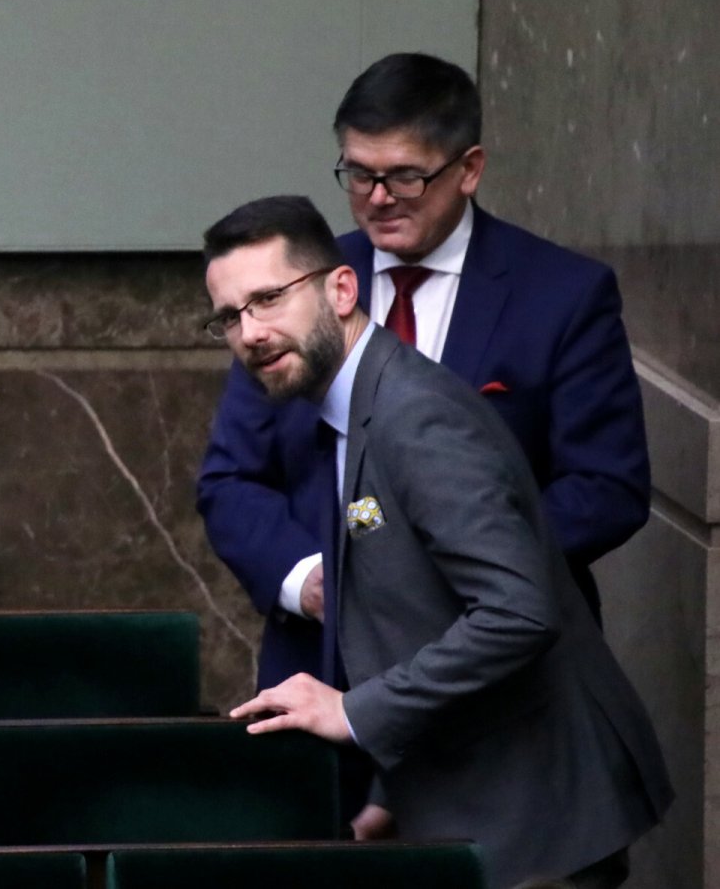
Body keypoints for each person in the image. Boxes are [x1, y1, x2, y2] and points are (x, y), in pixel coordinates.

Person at [207, 195, 670, 889]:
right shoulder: (352, 404)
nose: (251, 333)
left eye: (269, 299)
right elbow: (426, 605)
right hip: (466, 797)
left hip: (540, 821)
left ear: (340, 290)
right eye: (230, 316)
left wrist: (352, 712)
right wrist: (393, 796)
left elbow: (518, 612)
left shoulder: (415, 419)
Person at [197, 53, 650, 692]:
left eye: (405, 176)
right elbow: (231, 479)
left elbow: (606, 487)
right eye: (358, 174)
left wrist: (458, 570)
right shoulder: (291, 288)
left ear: (469, 170)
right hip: (324, 671)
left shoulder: (562, 296)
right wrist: (310, 581)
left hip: (508, 686)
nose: (378, 199)